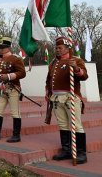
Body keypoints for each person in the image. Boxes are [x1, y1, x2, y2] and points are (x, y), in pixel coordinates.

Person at [46, 36, 88, 164]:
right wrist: (48, 93)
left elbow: (84, 76)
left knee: (76, 125)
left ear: (67, 48)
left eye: (60, 48)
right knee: (63, 124)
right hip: (57, 98)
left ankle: (81, 153)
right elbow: (49, 80)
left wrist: (75, 68)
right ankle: (66, 150)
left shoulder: (75, 60)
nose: (57, 50)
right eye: (56, 47)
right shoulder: (53, 62)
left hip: (71, 97)